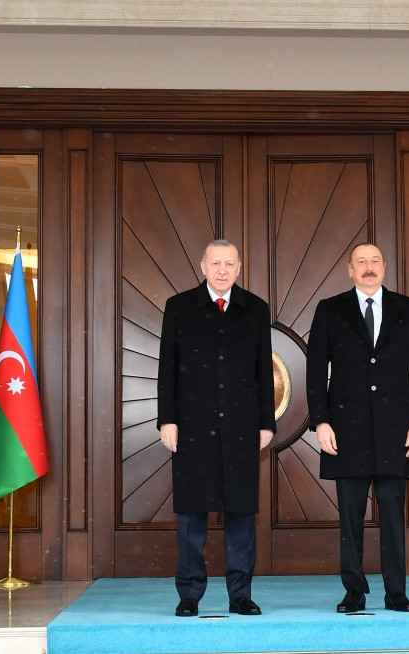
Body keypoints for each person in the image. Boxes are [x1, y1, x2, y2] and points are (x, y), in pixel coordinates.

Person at [305, 243, 409, 613]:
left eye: (375, 261)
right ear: (350, 269)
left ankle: (396, 592)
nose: (368, 267)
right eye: (361, 261)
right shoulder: (330, 309)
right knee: (350, 517)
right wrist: (321, 421)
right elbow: (316, 370)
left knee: (392, 514)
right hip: (346, 430)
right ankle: (354, 592)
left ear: (384, 267)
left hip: (397, 431)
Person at [156, 239, 276, 618]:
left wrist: (266, 423)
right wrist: (167, 419)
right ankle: (189, 594)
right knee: (192, 514)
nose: (222, 270)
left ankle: (240, 594)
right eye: (216, 263)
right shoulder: (179, 308)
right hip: (192, 425)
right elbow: (167, 369)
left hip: (242, 426)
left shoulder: (255, 309)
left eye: (229, 264)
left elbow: (263, 371)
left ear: (239, 268)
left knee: (241, 513)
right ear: (203, 266)